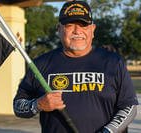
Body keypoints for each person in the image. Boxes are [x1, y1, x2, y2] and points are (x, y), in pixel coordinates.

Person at [13, 1, 138, 133]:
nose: (77, 31)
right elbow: (17, 106)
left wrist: (108, 131)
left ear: (93, 29)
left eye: (83, 25)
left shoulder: (113, 62)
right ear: (59, 29)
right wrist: (38, 105)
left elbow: (129, 107)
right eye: (69, 25)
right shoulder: (40, 64)